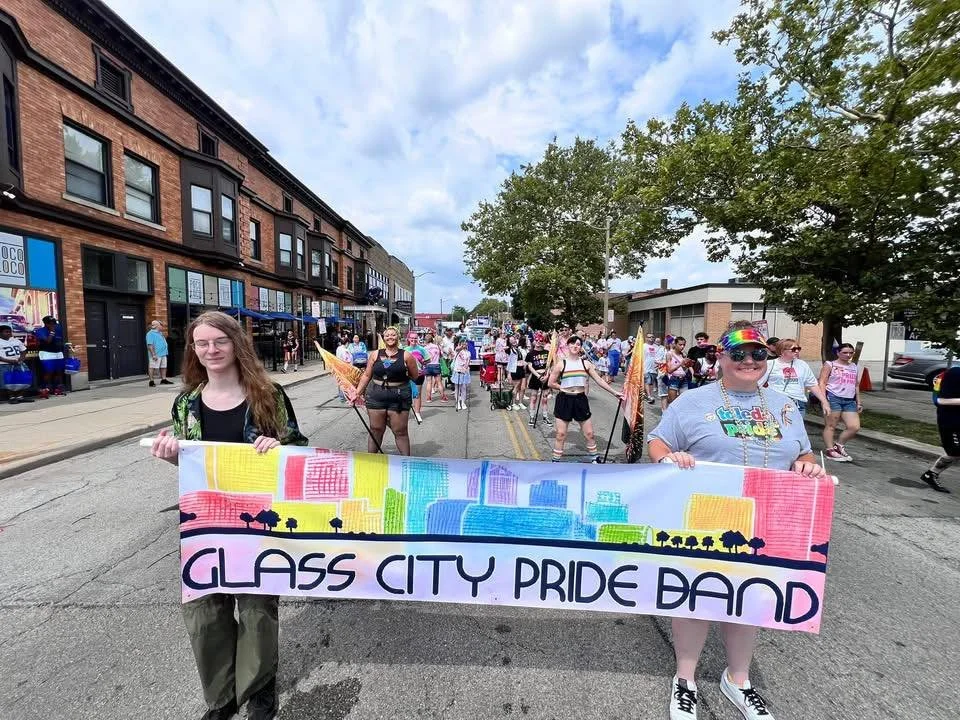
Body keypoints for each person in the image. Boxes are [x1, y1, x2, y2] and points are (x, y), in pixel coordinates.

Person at [648, 321, 826, 720]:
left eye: (758, 353)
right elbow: (657, 441)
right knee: (697, 598)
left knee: (750, 601)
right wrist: (667, 458)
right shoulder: (693, 401)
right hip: (708, 516)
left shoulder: (783, 405)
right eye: (739, 354)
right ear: (721, 358)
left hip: (768, 518)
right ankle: (685, 679)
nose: (750, 361)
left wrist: (806, 465)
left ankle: (738, 679)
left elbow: (805, 453)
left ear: (768, 358)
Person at [149, 311, 308, 720]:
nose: (211, 350)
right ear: (194, 350)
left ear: (236, 344)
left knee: (256, 611)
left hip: (257, 525)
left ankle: (259, 691)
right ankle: (220, 699)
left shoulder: (267, 395)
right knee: (205, 613)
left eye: (218, 341)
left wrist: (278, 449)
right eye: (202, 343)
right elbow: (191, 466)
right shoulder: (185, 403)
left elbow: (299, 450)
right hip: (204, 525)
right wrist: (171, 456)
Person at [547, 335, 623, 463]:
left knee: (589, 434)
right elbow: (550, 383)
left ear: (581, 347)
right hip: (564, 400)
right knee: (560, 434)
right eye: (572, 344)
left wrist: (614, 392)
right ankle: (556, 461)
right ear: (568, 346)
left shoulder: (585, 364)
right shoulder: (561, 364)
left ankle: (595, 458)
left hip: (580, 400)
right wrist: (564, 387)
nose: (575, 346)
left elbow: (599, 380)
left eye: (578, 344)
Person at [354, 327, 420, 454]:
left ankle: (406, 463)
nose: (390, 337)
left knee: (400, 431)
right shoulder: (375, 354)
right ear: (384, 338)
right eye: (387, 335)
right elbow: (367, 375)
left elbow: (415, 375)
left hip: (399, 398)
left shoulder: (406, 355)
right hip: (376, 397)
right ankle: (371, 461)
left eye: (393, 335)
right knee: (375, 429)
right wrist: (356, 393)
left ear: (398, 337)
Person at [819, 342, 861, 462]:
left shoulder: (854, 366)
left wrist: (859, 401)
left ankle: (839, 445)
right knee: (831, 425)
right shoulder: (830, 364)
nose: (848, 355)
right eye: (845, 352)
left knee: (854, 427)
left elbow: (856, 385)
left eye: (851, 353)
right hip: (833, 397)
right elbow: (822, 382)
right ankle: (830, 450)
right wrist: (824, 400)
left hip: (849, 400)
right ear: (838, 353)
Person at [760, 339, 828, 413]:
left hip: (798, 403)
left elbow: (812, 385)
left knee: (797, 424)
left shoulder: (802, 364)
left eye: (798, 349)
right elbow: (759, 383)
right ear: (782, 351)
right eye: (793, 349)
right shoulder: (770, 364)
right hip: (776, 402)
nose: (797, 351)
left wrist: (824, 401)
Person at [921, 367, 960, 493]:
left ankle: (930, 475)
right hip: (951, 421)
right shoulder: (955, 373)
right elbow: (940, 400)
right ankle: (931, 474)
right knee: (954, 452)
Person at [525, 331, 553, 426]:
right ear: (534, 341)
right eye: (537, 340)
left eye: (540, 340)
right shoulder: (530, 354)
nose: (538, 342)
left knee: (545, 398)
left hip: (545, 377)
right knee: (533, 397)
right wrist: (538, 375)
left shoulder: (547, 353)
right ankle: (532, 417)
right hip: (535, 377)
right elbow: (530, 366)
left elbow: (549, 366)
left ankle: (545, 417)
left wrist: (547, 375)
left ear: (543, 342)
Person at [0, 324, 33, 404]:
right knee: (8, 382)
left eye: (10, 332)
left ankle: (20, 396)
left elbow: (23, 350)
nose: (9, 333)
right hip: (4, 364)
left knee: (25, 378)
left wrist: (21, 359)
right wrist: (9, 361)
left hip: (19, 363)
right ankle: (11, 397)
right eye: (6, 332)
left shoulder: (15, 340)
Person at [35, 315, 66, 395]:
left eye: (54, 323)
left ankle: (57, 388)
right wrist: (52, 331)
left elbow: (60, 340)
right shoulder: (41, 331)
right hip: (46, 353)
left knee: (59, 371)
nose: (53, 325)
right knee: (49, 371)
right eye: (50, 323)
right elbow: (48, 341)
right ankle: (45, 388)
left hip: (58, 352)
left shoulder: (58, 329)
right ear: (46, 323)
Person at [404, 331, 428, 423]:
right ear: (408, 339)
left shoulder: (422, 349)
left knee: (417, 394)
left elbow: (428, 360)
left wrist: (422, 363)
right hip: (407, 376)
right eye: (412, 338)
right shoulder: (404, 349)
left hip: (419, 375)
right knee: (406, 395)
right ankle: (405, 413)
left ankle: (417, 413)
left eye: (415, 338)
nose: (413, 339)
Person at [146, 320, 173, 387]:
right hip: (156, 354)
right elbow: (150, 345)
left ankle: (163, 379)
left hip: (163, 353)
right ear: (157, 326)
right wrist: (153, 354)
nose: (162, 326)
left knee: (163, 366)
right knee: (152, 367)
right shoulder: (150, 334)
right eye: (161, 325)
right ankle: (151, 381)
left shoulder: (160, 333)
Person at [423, 332, 447, 402]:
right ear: (432, 339)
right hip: (436, 365)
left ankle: (428, 398)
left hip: (428, 366)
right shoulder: (437, 346)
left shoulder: (424, 348)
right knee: (439, 382)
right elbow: (441, 355)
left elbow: (423, 358)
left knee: (429, 382)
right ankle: (443, 398)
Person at [664, 336, 689, 407]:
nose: (682, 347)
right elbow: (669, 370)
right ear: (675, 344)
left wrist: (688, 364)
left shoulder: (683, 354)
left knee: (684, 400)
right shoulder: (670, 354)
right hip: (674, 379)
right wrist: (680, 364)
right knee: (673, 403)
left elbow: (685, 368)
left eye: (684, 345)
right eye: (680, 345)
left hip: (684, 379)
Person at [507, 335, 527, 410]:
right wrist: (509, 374)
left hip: (522, 369)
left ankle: (520, 402)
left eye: (514, 339)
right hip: (515, 370)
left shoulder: (518, 349)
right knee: (516, 387)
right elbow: (509, 362)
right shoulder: (510, 350)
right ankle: (513, 403)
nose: (514, 341)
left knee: (523, 387)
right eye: (511, 340)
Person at [452, 337, 472, 411]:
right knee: (457, 387)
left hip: (465, 372)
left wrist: (465, 369)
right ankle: (457, 402)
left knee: (464, 388)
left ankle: (463, 402)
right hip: (457, 371)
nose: (465, 344)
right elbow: (457, 349)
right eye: (463, 342)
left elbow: (468, 362)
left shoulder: (468, 353)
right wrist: (460, 346)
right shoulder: (458, 350)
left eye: (466, 343)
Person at [335, 336, 353, 403]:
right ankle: (345, 396)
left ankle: (341, 396)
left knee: (341, 383)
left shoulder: (338, 348)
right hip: (345, 369)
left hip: (339, 368)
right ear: (347, 343)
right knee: (346, 383)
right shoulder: (345, 350)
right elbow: (347, 360)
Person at [642, 334, 659, 404]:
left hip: (654, 368)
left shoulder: (656, 347)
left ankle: (646, 394)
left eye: (653, 337)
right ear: (646, 338)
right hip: (646, 367)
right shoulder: (643, 346)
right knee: (647, 381)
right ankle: (649, 396)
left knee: (651, 382)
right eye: (649, 337)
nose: (651, 338)